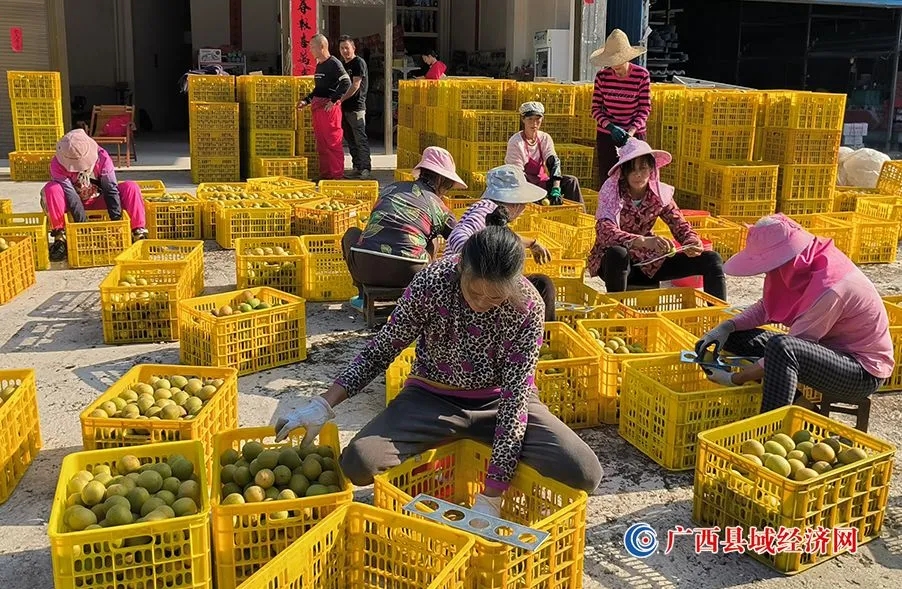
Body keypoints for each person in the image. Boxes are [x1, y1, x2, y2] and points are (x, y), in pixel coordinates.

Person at [274, 211, 604, 517]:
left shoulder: (527, 307)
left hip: (500, 403)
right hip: (431, 399)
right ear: (461, 269)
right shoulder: (433, 283)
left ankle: (480, 451)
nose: (481, 305)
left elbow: (516, 400)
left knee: (584, 472)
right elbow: (383, 347)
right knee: (359, 462)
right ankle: (461, 445)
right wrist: (323, 404)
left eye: (495, 299)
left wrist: (492, 494)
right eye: (475, 293)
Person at [695, 215, 895, 413]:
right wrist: (727, 327)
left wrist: (735, 379)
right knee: (736, 337)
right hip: (826, 350)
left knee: (782, 347)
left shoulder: (831, 288)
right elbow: (767, 307)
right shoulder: (801, 265)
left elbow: (792, 346)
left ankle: (771, 428)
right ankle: (804, 406)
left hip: (861, 372)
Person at [587, 139, 726, 300]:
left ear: (651, 169)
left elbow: (679, 224)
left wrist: (691, 241)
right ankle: (617, 317)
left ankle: (721, 320)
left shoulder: (659, 194)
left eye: (643, 168)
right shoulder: (612, 193)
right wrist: (643, 241)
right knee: (617, 253)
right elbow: (605, 232)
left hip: (650, 263)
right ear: (624, 172)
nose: (638, 174)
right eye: (632, 170)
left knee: (712, 259)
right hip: (616, 266)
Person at [341, 146, 460, 309]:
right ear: (440, 180)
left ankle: (363, 297)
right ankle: (420, 295)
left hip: (365, 267)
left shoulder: (392, 188)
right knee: (432, 240)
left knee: (352, 234)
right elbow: (460, 238)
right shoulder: (439, 207)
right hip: (409, 272)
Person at [444, 165, 557, 322]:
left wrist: (532, 243)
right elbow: (458, 235)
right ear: (516, 202)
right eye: (524, 203)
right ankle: (546, 335)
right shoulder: (485, 211)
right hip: (469, 284)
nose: (524, 208)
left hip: (475, 280)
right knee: (543, 286)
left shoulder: (489, 211)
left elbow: (495, 238)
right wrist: (481, 265)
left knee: (540, 283)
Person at [41, 129, 147, 262]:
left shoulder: (102, 156)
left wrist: (117, 223)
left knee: (131, 187)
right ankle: (59, 237)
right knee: (52, 189)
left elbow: (110, 189)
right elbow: (71, 196)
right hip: (73, 204)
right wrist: (83, 228)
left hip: (99, 199)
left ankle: (138, 232)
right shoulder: (57, 164)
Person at [590, 29, 651, 185]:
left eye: (618, 60)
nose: (614, 66)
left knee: (635, 179)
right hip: (607, 134)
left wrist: (630, 132)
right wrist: (611, 128)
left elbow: (644, 109)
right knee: (609, 179)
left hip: (634, 134)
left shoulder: (641, 75)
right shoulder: (602, 77)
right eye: (611, 62)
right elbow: (596, 109)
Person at [505, 102, 584, 206]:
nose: (534, 123)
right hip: (525, 184)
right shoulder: (515, 142)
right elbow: (517, 174)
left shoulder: (544, 138)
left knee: (571, 181)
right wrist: (535, 194)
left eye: (538, 119)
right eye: (530, 119)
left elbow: (553, 162)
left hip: (542, 181)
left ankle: (579, 214)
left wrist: (556, 188)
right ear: (523, 119)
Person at [298, 34, 351, 180]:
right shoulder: (320, 65)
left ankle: (336, 175)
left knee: (332, 143)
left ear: (322, 47)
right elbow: (319, 89)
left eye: (313, 47)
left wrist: (333, 100)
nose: (310, 50)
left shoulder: (333, 63)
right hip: (318, 108)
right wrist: (306, 100)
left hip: (329, 109)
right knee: (322, 144)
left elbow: (346, 82)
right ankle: (325, 175)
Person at [337, 35, 372, 179]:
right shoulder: (342, 65)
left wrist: (341, 99)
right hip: (344, 108)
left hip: (356, 107)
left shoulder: (359, 63)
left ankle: (365, 168)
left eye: (347, 48)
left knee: (360, 139)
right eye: (342, 48)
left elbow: (356, 85)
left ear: (353, 48)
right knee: (350, 140)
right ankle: (356, 167)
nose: (345, 51)